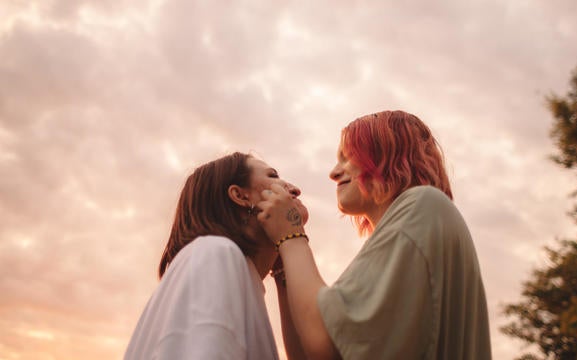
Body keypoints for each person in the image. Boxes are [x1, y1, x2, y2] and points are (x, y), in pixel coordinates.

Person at [257, 110, 492, 359]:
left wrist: (291, 235)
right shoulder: (418, 221)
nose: (334, 173)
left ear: (388, 156)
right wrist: (284, 269)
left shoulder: (422, 204)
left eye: (348, 158)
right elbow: (307, 354)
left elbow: (327, 344)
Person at [124, 152, 307, 360]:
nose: (294, 189)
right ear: (240, 196)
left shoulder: (240, 275)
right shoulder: (216, 254)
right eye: (273, 176)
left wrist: (285, 267)